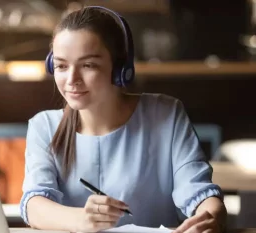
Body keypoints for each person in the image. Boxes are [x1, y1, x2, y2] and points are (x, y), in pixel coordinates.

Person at [20, 6, 227, 233]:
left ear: (120, 68)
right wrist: (81, 220)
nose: (72, 79)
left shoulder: (165, 114)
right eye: (61, 65)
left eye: (88, 65)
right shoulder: (45, 126)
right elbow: (34, 205)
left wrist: (211, 218)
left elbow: (199, 192)